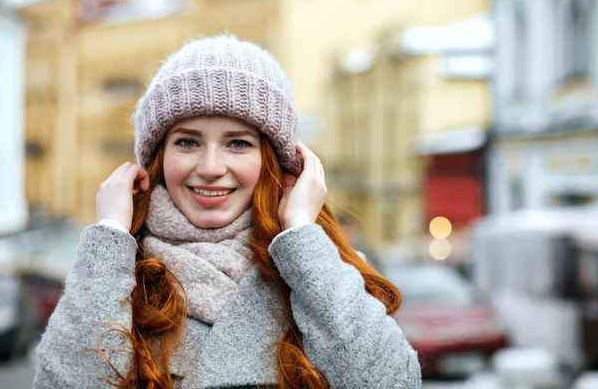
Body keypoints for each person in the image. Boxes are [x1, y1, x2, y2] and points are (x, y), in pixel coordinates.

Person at [33, 34, 421, 389]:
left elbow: (392, 382)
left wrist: (301, 235)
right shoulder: (113, 276)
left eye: (237, 143)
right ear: (158, 158)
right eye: (187, 142)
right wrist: (111, 236)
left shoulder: (319, 271)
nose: (211, 167)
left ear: (276, 161)